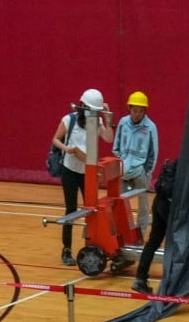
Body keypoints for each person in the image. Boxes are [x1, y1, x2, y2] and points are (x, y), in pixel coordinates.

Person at [50, 88, 115, 265]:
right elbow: (56, 139)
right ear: (82, 105)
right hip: (70, 170)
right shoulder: (68, 119)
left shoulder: (97, 122)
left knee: (92, 211)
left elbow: (109, 139)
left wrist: (108, 121)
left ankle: (92, 245)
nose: (92, 113)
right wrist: (67, 150)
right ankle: (66, 250)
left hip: (88, 172)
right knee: (71, 210)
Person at [113, 91, 159, 238]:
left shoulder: (150, 127)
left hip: (140, 171)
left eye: (140, 111)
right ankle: (122, 231)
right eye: (134, 110)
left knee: (143, 205)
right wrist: (120, 163)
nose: (137, 114)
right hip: (123, 170)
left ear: (145, 111)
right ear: (129, 109)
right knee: (119, 202)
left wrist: (147, 171)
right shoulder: (123, 123)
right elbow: (116, 145)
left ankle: (140, 234)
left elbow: (153, 152)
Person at [131, 159, 177, 294]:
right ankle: (171, 284)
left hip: (159, 201)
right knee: (175, 245)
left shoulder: (175, 164)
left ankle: (140, 279)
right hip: (170, 206)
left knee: (153, 242)